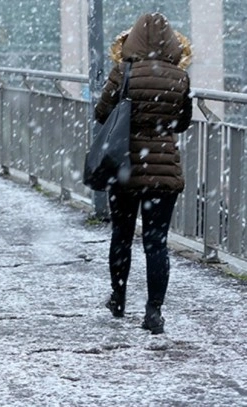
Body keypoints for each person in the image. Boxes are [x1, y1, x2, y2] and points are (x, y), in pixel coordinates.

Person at [94, 12, 192, 335]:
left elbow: (101, 113)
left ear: (132, 39)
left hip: (124, 168)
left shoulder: (124, 71)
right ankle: (154, 312)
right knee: (156, 243)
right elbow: (181, 123)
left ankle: (119, 299)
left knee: (122, 235)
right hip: (163, 173)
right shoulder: (180, 78)